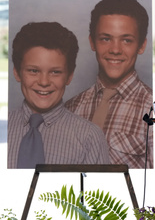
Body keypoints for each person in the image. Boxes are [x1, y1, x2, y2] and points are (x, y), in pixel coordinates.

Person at [66, 0, 153, 169]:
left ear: (142, 45)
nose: (115, 50)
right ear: (92, 42)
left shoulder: (153, 110)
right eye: (106, 39)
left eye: (126, 40)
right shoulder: (71, 108)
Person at [8, 22, 110, 168]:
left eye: (55, 72)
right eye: (33, 71)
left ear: (69, 76)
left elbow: (97, 190)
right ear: (17, 72)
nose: (44, 82)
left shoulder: (89, 137)